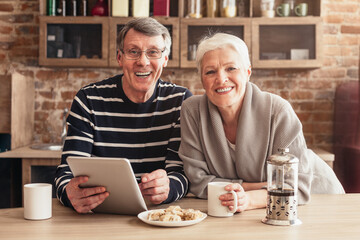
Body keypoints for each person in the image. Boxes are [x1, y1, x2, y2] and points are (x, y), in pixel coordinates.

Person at [178, 33, 344, 213]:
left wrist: (248, 198)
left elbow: (295, 186)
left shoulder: (278, 110)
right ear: (202, 79)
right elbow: (199, 182)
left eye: (231, 68)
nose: (221, 78)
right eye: (210, 71)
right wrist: (260, 188)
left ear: (248, 72)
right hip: (244, 206)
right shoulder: (192, 111)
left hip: (316, 201)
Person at [55, 18, 192, 213]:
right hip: (98, 217)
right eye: (133, 52)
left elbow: (182, 174)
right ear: (120, 57)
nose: (143, 62)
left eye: (153, 52)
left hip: (158, 216)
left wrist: (169, 187)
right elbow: (66, 173)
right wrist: (70, 194)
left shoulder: (180, 101)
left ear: (165, 59)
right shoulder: (88, 99)